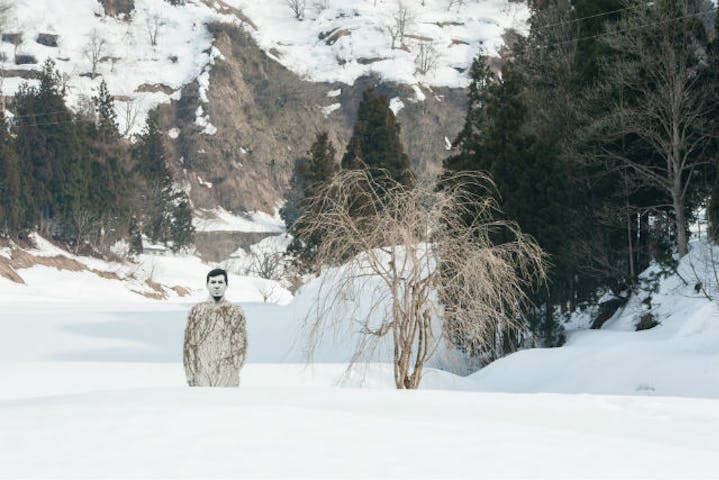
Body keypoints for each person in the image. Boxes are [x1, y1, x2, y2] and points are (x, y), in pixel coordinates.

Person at [183, 268, 247, 387]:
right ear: (207, 285)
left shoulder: (235, 311)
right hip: (202, 374)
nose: (216, 286)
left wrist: (234, 370)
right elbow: (189, 345)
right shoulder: (197, 311)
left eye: (220, 282)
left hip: (227, 373)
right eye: (213, 282)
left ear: (226, 285)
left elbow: (240, 344)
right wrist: (190, 374)